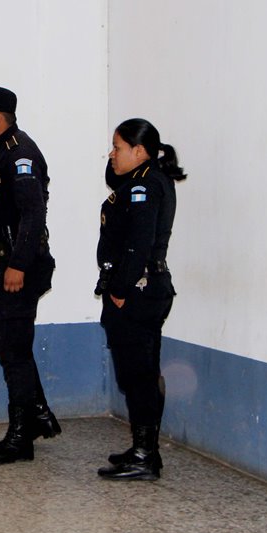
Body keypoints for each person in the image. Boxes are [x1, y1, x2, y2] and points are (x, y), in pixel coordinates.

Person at [0, 86, 61, 466]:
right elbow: (3, 212)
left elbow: (33, 214)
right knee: (3, 343)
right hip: (6, 260)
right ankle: (38, 412)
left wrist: (17, 263)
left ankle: (21, 436)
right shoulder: (0, 153)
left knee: (13, 348)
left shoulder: (21, 155)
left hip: (23, 265)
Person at [95, 118, 186, 481]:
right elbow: (113, 177)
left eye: (117, 147)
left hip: (137, 291)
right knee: (138, 373)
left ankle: (146, 455)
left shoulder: (144, 187)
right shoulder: (140, 180)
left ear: (139, 151)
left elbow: (138, 244)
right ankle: (142, 448)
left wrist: (120, 289)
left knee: (139, 375)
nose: (111, 154)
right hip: (143, 290)